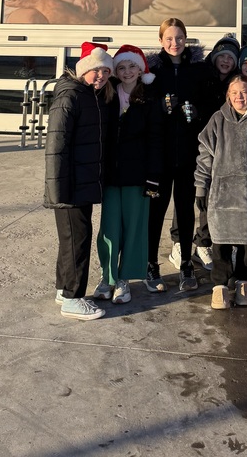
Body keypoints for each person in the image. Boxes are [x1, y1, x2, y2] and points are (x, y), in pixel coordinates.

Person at [195, 75, 247, 308]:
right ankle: (220, 286)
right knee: (220, 244)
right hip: (221, 196)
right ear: (228, 96)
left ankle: (244, 281)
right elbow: (204, 157)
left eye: (244, 91)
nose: (239, 96)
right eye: (234, 92)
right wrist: (201, 188)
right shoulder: (217, 120)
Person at [147, 18, 218, 291]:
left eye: (179, 38)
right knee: (156, 209)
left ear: (186, 39)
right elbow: (145, 108)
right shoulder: (153, 71)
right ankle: (151, 263)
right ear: (161, 40)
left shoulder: (198, 70)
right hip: (160, 157)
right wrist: (162, 109)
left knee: (186, 210)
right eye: (169, 38)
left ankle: (186, 261)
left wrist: (196, 112)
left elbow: (210, 104)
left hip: (189, 154)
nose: (174, 43)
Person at [43, 42, 113, 321]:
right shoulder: (71, 95)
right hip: (69, 183)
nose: (101, 76)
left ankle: (64, 288)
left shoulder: (89, 95)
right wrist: (58, 189)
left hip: (81, 181)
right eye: (96, 70)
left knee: (70, 239)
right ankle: (74, 298)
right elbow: (56, 144)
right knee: (78, 240)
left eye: (106, 72)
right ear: (84, 69)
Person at [94, 45, 163, 303]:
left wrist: (153, 177)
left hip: (139, 176)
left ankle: (125, 279)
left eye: (131, 66)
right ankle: (107, 277)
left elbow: (157, 140)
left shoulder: (151, 98)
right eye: (121, 67)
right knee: (110, 229)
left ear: (141, 69)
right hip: (111, 175)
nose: (126, 72)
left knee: (134, 228)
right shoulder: (107, 96)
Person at [205, 34, 241, 106]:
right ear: (214, 59)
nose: (225, 60)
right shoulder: (203, 78)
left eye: (231, 57)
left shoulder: (239, 83)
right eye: (221, 56)